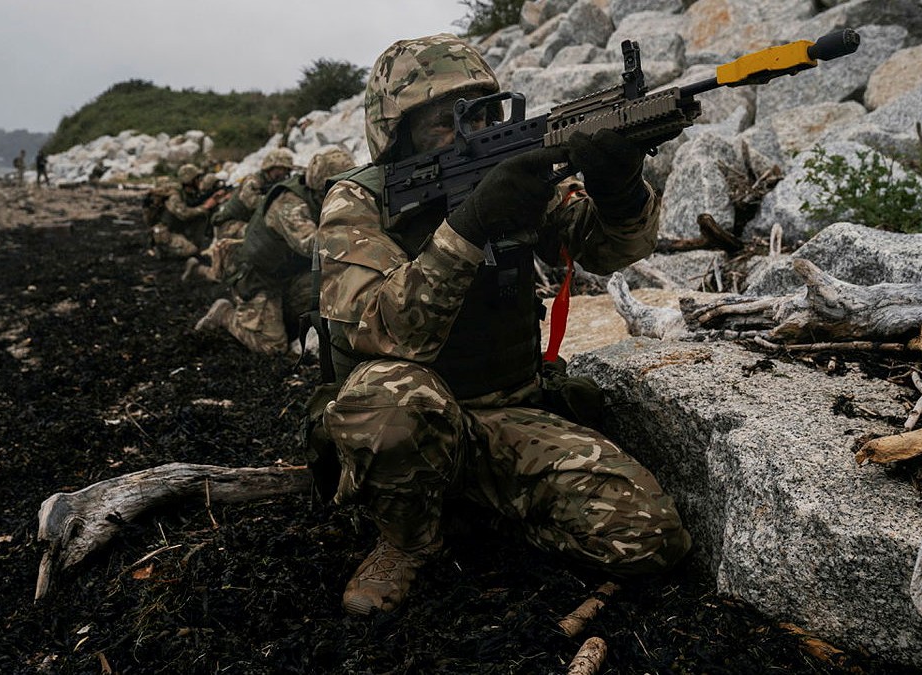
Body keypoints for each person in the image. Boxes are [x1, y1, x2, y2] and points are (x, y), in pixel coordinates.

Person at [307, 33, 692, 617]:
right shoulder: (358, 204)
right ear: (396, 132)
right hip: (409, 422)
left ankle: (479, 507)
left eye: (486, 113)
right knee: (387, 398)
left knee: (648, 534)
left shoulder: (514, 174)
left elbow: (612, 251)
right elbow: (389, 332)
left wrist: (619, 187)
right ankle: (407, 541)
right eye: (449, 120)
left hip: (509, 413)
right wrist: (471, 224)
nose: (477, 129)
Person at [195, 146, 356, 355]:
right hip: (260, 279)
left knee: (338, 287)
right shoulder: (288, 203)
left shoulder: (322, 196)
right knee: (273, 347)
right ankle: (225, 314)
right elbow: (313, 244)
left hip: (291, 274)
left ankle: (283, 316)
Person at [184, 148, 297, 282]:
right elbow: (253, 203)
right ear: (270, 167)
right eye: (281, 169)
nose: (284, 173)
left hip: (248, 223)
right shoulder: (252, 181)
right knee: (260, 238)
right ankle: (201, 271)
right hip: (229, 225)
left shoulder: (274, 183)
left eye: (287, 170)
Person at [152, 163, 220, 258]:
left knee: (201, 217)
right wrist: (205, 207)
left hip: (177, 229)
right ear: (190, 181)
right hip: (166, 234)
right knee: (192, 251)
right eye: (197, 179)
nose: (199, 181)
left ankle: (190, 242)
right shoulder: (175, 195)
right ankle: (162, 250)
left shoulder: (188, 193)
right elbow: (184, 214)